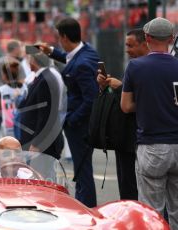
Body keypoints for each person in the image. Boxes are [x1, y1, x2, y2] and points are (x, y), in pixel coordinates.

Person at [121, 17, 178, 229]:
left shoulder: (135, 66)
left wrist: (147, 102)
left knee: (151, 212)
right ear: (171, 38)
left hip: (151, 145)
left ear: (147, 38)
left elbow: (126, 106)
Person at [38, 17, 99, 207]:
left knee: (82, 169)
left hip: (80, 125)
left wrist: (72, 119)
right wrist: (52, 52)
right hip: (81, 122)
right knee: (82, 168)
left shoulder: (82, 64)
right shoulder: (86, 52)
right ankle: (84, 202)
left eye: (58, 38)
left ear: (64, 37)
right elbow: (70, 58)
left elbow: (91, 98)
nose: (58, 41)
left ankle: (86, 206)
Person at [96, 28, 149, 200]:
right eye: (126, 45)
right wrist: (108, 87)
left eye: (130, 45)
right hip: (125, 137)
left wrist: (120, 88)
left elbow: (132, 104)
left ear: (145, 43)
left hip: (141, 138)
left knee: (136, 190)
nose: (127, 49)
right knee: (127, 187)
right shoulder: (132, 66)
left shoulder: (146, 67)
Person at [18, 53, 64, 160]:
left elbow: (45, 116)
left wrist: (37, 143)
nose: (28, 63)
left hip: (40, 144)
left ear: (34, 62)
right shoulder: (41, 78)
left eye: (30, 60)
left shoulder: (45, 81)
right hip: (33, 138)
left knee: (41, 173)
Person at [0, 40, 27, 149]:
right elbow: (22, 83)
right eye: (20, 48)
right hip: (11, 104)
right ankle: (13, 159)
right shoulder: (16, 64)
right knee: (13, 134)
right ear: (16, 49)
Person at [0, 58, 27, 137]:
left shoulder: (1, 90)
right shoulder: (24, 88)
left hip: (7, 125)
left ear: (5, 75)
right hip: (22, 123)